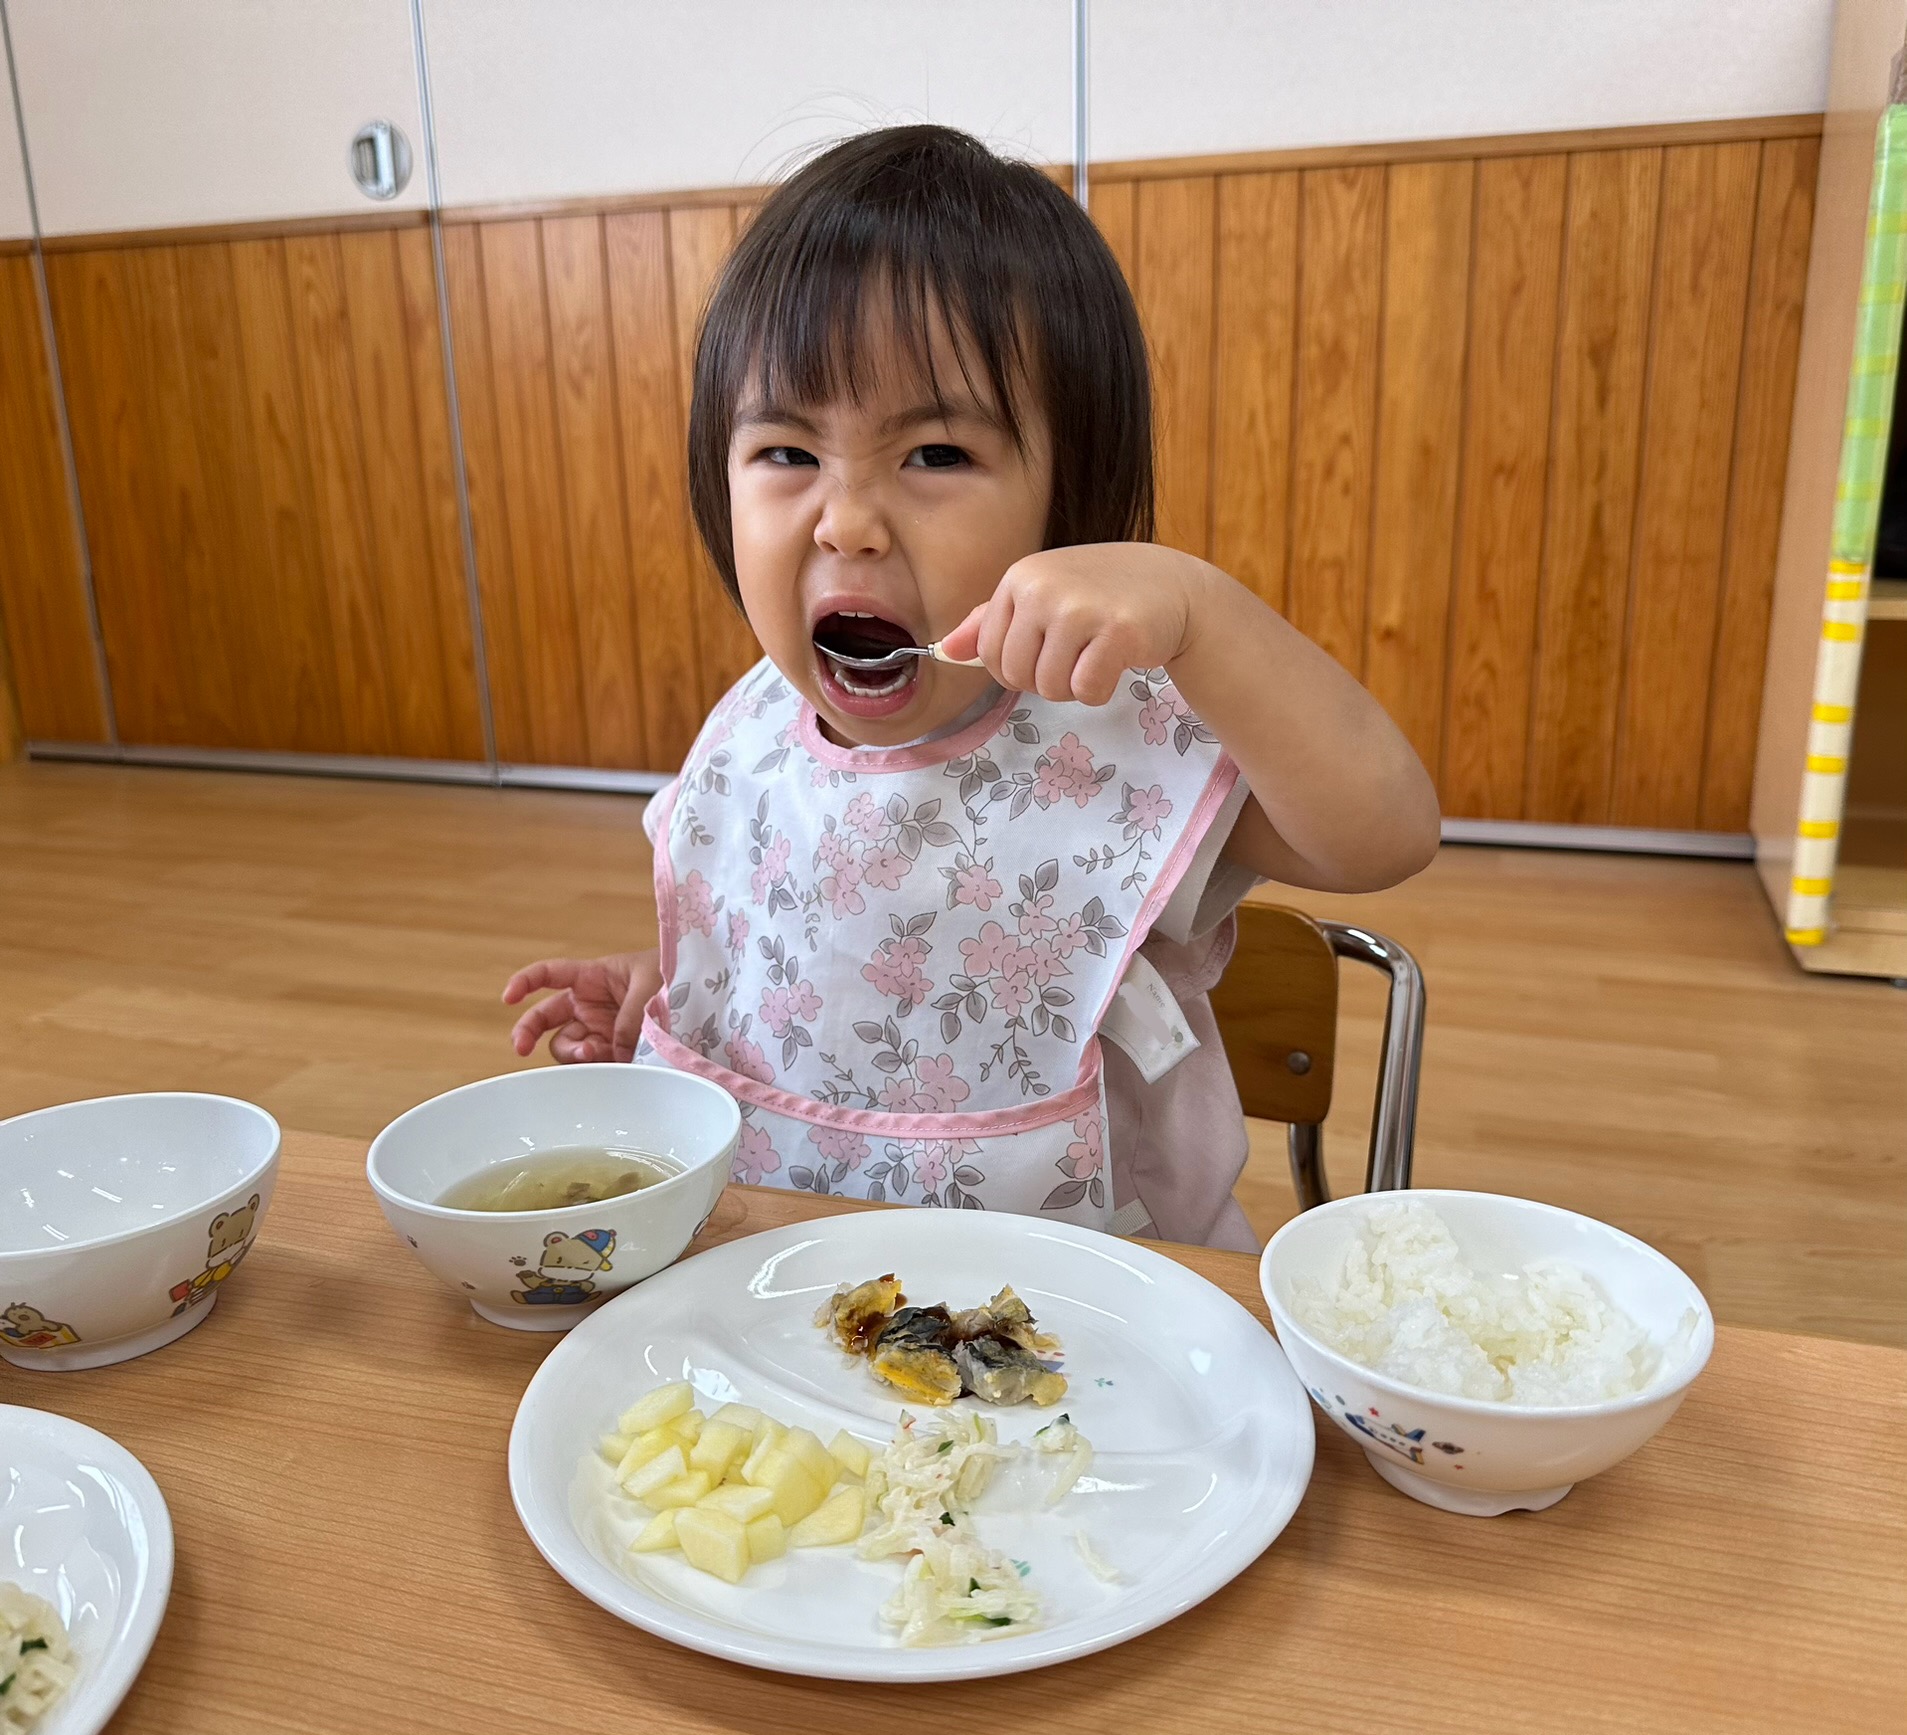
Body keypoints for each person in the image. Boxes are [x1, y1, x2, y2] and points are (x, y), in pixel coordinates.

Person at [503, 125, 1438, 1251]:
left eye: (934, 455)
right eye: (786, 454)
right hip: (788, 1311)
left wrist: (1205, 612)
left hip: (1090, 1329)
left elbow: (1384, 833)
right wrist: (682, 989)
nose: (844, 520)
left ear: (1068, 500)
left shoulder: (1113, 730)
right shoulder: (753, 729)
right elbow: (815, 948)